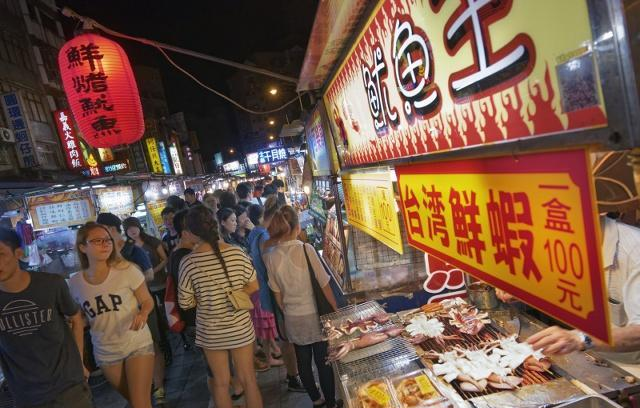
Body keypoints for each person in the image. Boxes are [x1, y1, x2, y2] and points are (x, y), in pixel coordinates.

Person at [499, 214, 640, 376]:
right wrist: (526, 292)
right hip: (589, 356)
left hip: (631, 367)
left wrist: (580, 338)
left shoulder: (635, 252)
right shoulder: (566, 240)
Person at [178, 206, 263, 408]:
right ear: (215, 225)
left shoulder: (188, 263)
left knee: (221, 383)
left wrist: (207, 298)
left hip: (211, 331)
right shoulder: (236, 253)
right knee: (249, 380)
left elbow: (185, 302)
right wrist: (236, 295)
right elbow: (254, 284)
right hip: (240, 326)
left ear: (190, 232)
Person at [0, 228, 92, 408]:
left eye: (1, 254)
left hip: (68, 388)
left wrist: (79, 360)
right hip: (25, 395)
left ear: (18, 253)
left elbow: (76, 318)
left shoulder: (51, 284)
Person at [69, 222, 154, 408]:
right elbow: (81, 318)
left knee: (140, 403)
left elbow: (147, 301)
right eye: (98, 241)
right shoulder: (75, 283)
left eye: (107, 240)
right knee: (134, 401)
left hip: (136, 343)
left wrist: (143, 313)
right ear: (83, 247)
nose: (106, 244)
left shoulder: (127, 270)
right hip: (105, 351)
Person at [263, 206, 340, 408]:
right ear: (297, 227)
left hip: (292, 317)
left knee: (302, 362)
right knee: (323, 360)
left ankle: (316, 400)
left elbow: (277, 295)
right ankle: (331, 403)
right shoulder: (307, 249)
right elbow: (325, 285)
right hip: (314, 315)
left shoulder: (270, 257)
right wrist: (336, 310)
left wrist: (288, 310)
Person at [95, 213, 167, 404]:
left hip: (142, 305)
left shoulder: (133, 251)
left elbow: (149, 275)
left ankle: (158, 386)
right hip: (119, 311)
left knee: (153, 345)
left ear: (111, 230)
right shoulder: (103, 255)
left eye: (101, 230)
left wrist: (126, 273)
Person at [246, 201, 306, 391]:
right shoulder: (265, 238)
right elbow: (274, 269)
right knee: (288, 340)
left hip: (268, 293)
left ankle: (293, 375)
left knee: (285, 338)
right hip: (275, 295)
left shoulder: (255, 233)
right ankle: (294, 377)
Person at [122, 217, 170, 403]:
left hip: (158, 285)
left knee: (157, 333)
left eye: (134, 228)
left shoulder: (147, 244)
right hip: (141, 295)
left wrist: (153, 271)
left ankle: (158, 383)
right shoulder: (125, 250)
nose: (132, 231)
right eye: (129, 229)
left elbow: (164, 260)